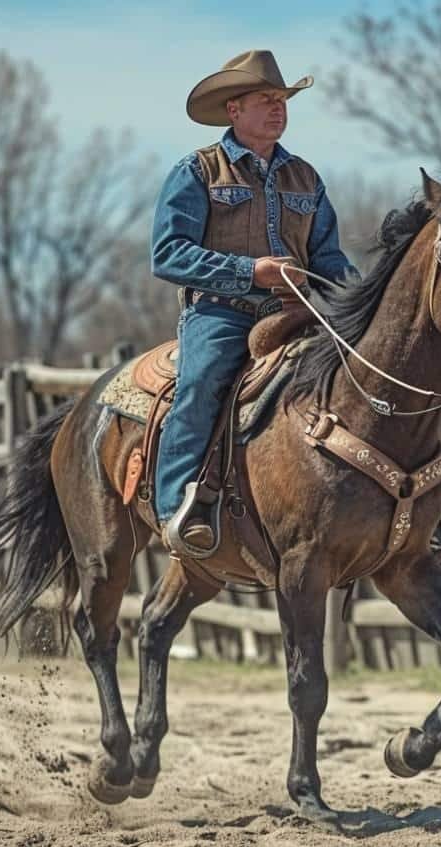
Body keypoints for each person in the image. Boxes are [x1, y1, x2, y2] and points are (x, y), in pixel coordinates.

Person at [150, 49, 357, 555]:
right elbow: (168, 254)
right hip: (221, 313)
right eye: (266, 100)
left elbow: (328, 259)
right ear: (234, 110)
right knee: (200, 387)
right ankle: (177, 508)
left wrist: (363, 302)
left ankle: (399, 507)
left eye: (283, 99)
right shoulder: (197, 171)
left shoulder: (305, 177)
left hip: (296, 314)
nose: (278, 108)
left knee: (362, 379)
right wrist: (250, 272)